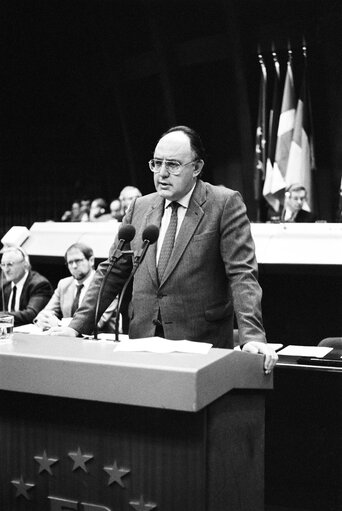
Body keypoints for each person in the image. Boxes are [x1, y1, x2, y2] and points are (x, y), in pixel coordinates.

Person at [50, 126, 277, 373]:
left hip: (201, 345)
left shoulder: (224, 203)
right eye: (157, 163)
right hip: (142, 342)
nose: (162, 173)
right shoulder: (139, 207)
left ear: (197, 167)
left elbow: (242, 274)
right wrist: (76, 326)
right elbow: (112, 272)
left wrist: (253, 337)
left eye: (173, 165)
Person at [34, 243, 117, 332]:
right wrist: (42, 320)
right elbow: (46, 312)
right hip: (69, 340)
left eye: (78, 261)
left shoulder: (106, 284)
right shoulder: (64, 284)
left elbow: (98, 322)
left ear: (91, 261)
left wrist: (60, 323)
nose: (74, 266)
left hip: (100, 341)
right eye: (70, 262)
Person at [0, 246, 53, 326]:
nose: (6, 270)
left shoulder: (40, 284)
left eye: (10, 264)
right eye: (3, 265)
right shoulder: (4, 284)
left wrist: (2, 316)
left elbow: (32, 314)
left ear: (25, 264)